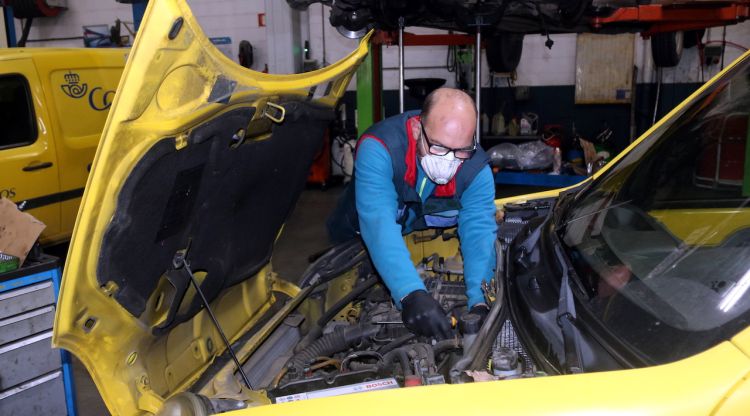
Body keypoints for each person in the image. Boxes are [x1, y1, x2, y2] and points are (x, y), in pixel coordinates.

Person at [328, 88, 497, 339]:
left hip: (416, 235)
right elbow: (378, 224)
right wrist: (411, 293)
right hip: (356, 236)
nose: (449, 161)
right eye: (439, 147)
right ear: (418, 129)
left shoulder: (476, 170)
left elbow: (479, 235)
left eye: (460, 150)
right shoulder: (380, 148)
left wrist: (481, 303)